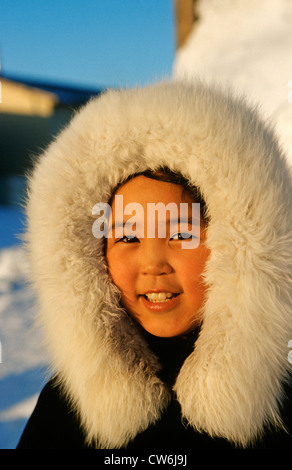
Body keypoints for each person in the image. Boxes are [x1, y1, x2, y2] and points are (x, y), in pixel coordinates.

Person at [17, 81, 292, 449]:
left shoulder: (278, 403)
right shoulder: (68, 408)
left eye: (179, 234)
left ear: (236, 247)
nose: (152, 264)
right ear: (91, 256)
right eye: (127, 238)